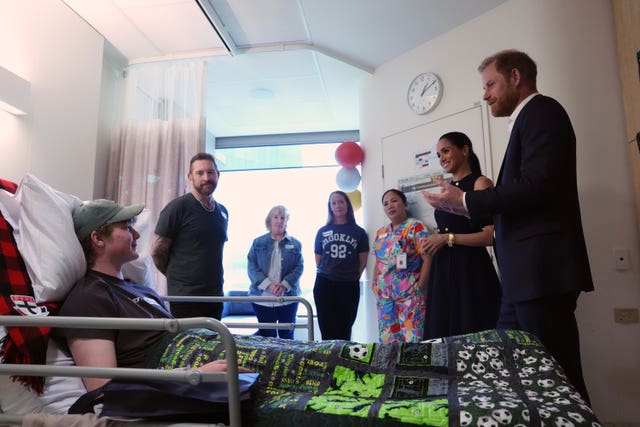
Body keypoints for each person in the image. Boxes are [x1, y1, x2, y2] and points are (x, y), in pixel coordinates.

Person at [423, 49, 593, 402]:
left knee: (557, 376)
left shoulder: (543, 111)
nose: (485, 94)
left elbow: (537, 186)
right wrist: (461, 205)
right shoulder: (526, 122)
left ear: (515, 77)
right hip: (520, 281)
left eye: (490, 84)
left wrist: (466, 201)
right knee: (511, 370)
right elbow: (516, 200)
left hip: (540, 274)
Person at [54, 199, 248, 392]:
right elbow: (104, 389)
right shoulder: (89, 298)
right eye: (127, 228)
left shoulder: (141, 290)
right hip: (192, 372)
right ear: (98, 239)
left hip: (212, 350)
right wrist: (190, 376)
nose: (137, 234)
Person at [422, 132, 501, 339]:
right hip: (442, 270)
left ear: (465, 150)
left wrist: (448, 239)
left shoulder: (480, 183)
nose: (442, 158)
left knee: (473, 331)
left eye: (446, 151)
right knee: (442, 335)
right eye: (439, 154)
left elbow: (491, 236)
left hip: (470, 271)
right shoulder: (447, 189)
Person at [151, 152, 228, 320]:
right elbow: (157, 251)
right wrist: (178, 277)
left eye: (210, 172)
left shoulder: (222, 212)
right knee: (189, 346)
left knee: (215, 344)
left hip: (215, 296)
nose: (206, 177)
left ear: (218, 175)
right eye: (200, 173)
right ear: (190, 177)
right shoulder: (178, 208)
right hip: (186, 298)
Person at [371, 189, 431, 343]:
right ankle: (390, 368)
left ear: (404, 204)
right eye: (386, 203)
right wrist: (374, 284)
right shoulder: (381, 232)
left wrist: (420, 286)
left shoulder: (416, 227)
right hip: (384, 297)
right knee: (388, 341)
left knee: (413, 340)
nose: (390, 205)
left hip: (409, 296)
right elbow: (378, 261)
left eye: (394, 201)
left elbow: (428, 258)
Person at [313, 191, 369, 340]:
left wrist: (350, 275)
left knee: (345, 329)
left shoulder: (359, 232)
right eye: (334, 203)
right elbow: (318, 260)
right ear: (330, 207)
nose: (338, 206)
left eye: (341, 202)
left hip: (348, 285)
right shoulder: (322, 231)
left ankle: (342, 361)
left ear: (347, 205)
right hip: (324, 284)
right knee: (326, 328)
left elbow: (363, 261)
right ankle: (326, 361)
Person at [247, 205, 303, 339]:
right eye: (276, 217)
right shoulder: (258, 242)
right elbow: (252, 267)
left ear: (287, 221)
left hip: (288, 299)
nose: (279, 221)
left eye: (283, 217)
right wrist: (269, 285)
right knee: (267, 336)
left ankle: (288, 360)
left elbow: (299, 267)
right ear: (269, 220)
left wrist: (284, 284)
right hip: (262, 299)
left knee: (287, 334)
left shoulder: (295, 244)